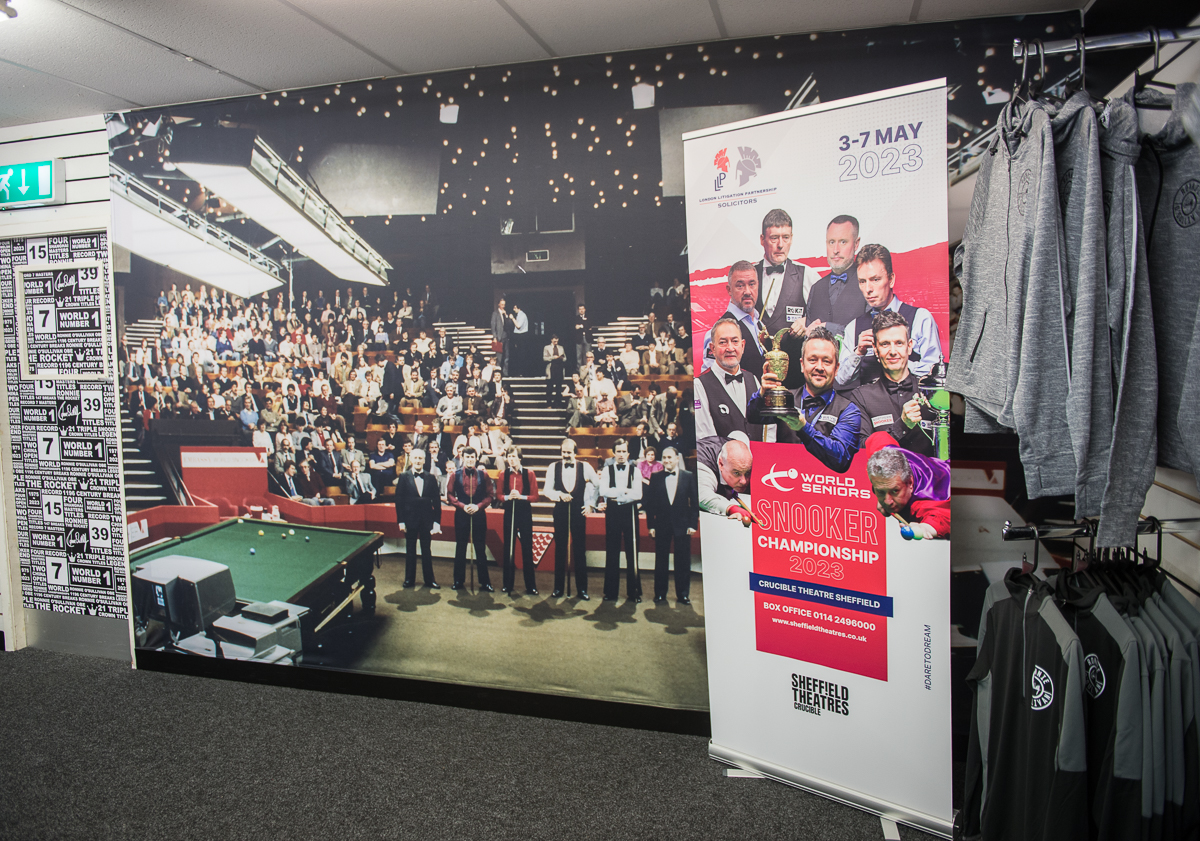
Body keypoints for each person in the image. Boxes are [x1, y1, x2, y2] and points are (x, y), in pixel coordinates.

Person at [747, 327, 863, 474]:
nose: (819, 367)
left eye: (827, 361)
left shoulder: (848, 410)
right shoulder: (785, 398)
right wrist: (763, 393)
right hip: (784, 482)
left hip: (824, 485)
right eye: (813, 360)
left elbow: (841, 458)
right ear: (802, 365)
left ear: (836, 368)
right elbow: (753, 416)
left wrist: (804, 428)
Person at [835, 243, 943, 389]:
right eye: (862, 281)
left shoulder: (920, 318)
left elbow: (934, 372)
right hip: (869, 403)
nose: (868, 289)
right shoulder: (853, 327)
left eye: (875, 279)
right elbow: (841, 379)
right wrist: (858, 353)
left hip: (911, 401)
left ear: (891, 279)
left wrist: (896, 363)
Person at [848, 311, 937, 457]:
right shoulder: (861, 397)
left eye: (899, 343)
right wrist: (902, 426)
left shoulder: (931, 393)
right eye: (885, 344)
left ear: (909, 346)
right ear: (875, 349)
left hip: (928, 472)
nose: (893, 351)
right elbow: (861, 451)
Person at [694, 315, 765, 442]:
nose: (730, 348)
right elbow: (706, 439)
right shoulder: (699, 385)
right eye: (723, 342)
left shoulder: (753, 379)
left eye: (735, 341)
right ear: (713, 349)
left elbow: (767, 428)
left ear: (742, 346)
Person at [542, 439, 597, 599]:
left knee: (579, 550)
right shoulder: (553, 467)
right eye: (563, 452)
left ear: (575, 452)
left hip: (578, 512)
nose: (566, 455)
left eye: (569, 452)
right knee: (560, 550)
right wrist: (559, 495)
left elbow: (598, 485)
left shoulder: (585, 467)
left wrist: (591, 505)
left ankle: (582, 590)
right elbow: (546, 490)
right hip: (560, 512)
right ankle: (558, 588)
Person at [865, 436, 950, 540]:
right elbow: (878, 437)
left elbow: (942, 520)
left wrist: (924, 528)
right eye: (881, 491)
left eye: (895, 491)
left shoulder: (921, 504)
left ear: (910, 483)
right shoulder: (885, 452)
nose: (887, 501)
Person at [755, 208, 822, 338]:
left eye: (785, 237)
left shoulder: (807, 275)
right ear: (762, 240)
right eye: (774, 238)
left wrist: (807, 321)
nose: (780, 245)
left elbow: (825, 315)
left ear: (791, 238)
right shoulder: (750, 274)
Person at [645, 447, 699, 605]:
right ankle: (660, 594)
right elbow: (650, 504)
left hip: (682, 525)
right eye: (664, 457)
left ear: (677, 459)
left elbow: (694, 503)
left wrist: (693, 524)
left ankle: (683, 594)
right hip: (661, 525)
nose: (666, 460)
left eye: (669, 457)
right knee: (661, 560)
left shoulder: (688, 476)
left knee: (682, 561)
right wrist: (651, 526)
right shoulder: (655, 477)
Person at [804, 214, 868, 341]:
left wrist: (829, 328)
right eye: (831, 242)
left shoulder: (868, 285)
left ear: (856, 244)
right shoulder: (816, 288)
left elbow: (872, 334)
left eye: (843, 242)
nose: (835, 250)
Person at [703, 260, 768, 378]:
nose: (747, 291)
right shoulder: (717, 331)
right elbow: (711, 380)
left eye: (752, 284)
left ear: (758, 285)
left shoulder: (760, 323)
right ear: (729, 289)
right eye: (740, 286)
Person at [600, 439, 643, 602]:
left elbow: (638, 494)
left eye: (624, 451)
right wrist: (624, 491)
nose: (621, 454)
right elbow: (603, 491)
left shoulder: (635, 471)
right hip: (612, 512)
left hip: (630, 511)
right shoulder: (606, 470)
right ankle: (610, 592)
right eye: (618, 451)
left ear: (628, 453)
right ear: (614, 453)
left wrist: (617, 494)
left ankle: (634, 592)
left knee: (632, 551)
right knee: (612, 551)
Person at [446, 447, 494, 591]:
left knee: (480, 548)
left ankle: (485, 582)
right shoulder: (455, 475)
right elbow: (450, 495)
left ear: (476, 458)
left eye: (472, 457)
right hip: (461, 514)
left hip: (479, 514)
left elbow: (490, 495)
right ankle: (458, 581)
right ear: (462, 458)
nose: (470, 459)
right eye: (467, 457)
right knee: (460, 547)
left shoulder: (483, 475)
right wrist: (462, 506)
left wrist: (478, 506)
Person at [395, 449, 441, 588]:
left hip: (426, 520)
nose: (418, 461)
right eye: (415, 458)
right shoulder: (404, 477)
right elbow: (399, 501)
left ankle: (430, 580)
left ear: (424, 460)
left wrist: (437, 522)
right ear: (411, 460)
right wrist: (401, 521)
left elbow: (437, 502)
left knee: (426, 550)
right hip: (410, 520)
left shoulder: (431, 477)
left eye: (420, 458)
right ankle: (409, 579)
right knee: (410, 550)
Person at [498, 446, 539, 596]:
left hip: (524, 513)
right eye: (509, 457)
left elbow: (535, 496)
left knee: (527, 549)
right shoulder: (503, 474)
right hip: (510, 512)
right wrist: (508, 497)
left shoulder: (529, 474)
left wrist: (521, 497)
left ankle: (531, 586)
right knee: (508, 548)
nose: (511, 459)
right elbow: (499, 495)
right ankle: (507, 584)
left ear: (520, 458)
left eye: (514, 456)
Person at [696, 434, 754, 523]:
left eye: (747, 473)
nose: (744, 481)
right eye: (736, 473)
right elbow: (703, 496)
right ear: (721, 464)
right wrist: (731, 508)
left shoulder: (738, 445)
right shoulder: (703, 468)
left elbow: (739, 434)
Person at [544, 334, 567, 405]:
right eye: (554, 339)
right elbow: (544, 358)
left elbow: (565, 358)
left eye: (557, 339)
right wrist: (553, 357)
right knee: (550, 387)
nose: (556, 340)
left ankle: (558, 403)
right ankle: (549, 403)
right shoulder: (547, 347)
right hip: (551, 368)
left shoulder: (561, 347)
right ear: (551, 340)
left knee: (558, 387)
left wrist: (561, 358)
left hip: (559, 368)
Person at [491, 298, 510, 375]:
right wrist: (494, 337)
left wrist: (506, 315)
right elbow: (493, 326)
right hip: (499, 337)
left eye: (504, 305)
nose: (503, 306)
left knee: (506, 356)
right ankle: (498, 372)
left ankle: (505, 373)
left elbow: (508, 324)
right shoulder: (495, 313)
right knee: (499, 357)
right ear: (499, 304)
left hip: (506, 337)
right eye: (502, 304)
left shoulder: (505, 313)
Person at [509, 303, 529, 376]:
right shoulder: (519, 315)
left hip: (522, 337)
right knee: (518, 355)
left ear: (519, 308)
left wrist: (512, 318)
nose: (513, 309)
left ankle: (521, 372)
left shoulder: (522, 315)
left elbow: (518, 326)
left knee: (521, 355)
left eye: (515, 308)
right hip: (518, 336)